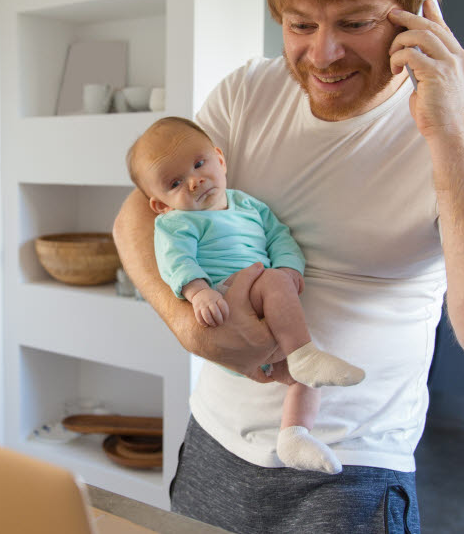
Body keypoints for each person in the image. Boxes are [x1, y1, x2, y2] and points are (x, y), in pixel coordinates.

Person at [113, 0, 464, 534]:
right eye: (300, 24)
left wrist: (446, 132)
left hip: (350, 472)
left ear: (420, 14)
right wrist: (183, 322)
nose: (321, 54)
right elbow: (137, 212)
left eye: (354, 23)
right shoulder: (248, 94)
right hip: (214, 441)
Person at [127, 116, 365, 475]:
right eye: (175, 183)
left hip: (268, 306)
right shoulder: (177, 223)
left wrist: (288, 270)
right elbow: (175, 260)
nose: (195, 180)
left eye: (199, 163)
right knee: (274, 292)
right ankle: (303, 353)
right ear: (161, 205)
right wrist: (198, 292)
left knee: (305, 378)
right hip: (225, 299)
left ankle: (294, 435)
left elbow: (279, 236)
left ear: (220, 161)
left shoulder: (249, 205)